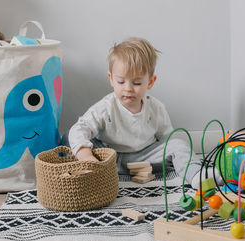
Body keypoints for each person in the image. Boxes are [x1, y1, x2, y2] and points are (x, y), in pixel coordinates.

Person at [65, 37, 209, 188]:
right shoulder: (105, 107)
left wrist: (171, 153)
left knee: (178, 145)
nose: (128, 88)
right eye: (121, 82)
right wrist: (86, 155)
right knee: (69, 136)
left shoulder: (156, 108)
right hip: (108, 157)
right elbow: (80, 128)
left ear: (150, 82)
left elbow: (166, 139)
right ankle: (91, 169)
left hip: (145, 158)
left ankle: (196, 175)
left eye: (137, 83)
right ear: (111, 79)